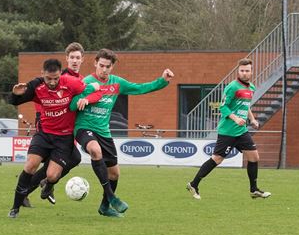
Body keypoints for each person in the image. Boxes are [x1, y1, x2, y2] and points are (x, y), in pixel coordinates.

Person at [70, 48, 174, 218]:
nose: (104, 70)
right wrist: (82, 98)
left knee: (115, 173)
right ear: (95, 63)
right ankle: (111, 197)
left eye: (108, 67)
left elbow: (140, 88)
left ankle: (104, 207)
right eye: (101, 65)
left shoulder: (117, 83)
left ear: (112, 67)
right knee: (95, 151)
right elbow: (72, 105)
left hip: (104, 131)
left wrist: (162, 81)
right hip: (84, 128)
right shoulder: (86, 82)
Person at [8, 58, 101, 218]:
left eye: (56, 78)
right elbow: (15, 101)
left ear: (60, 74)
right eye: (48, 78)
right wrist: (15, 95)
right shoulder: (36, 86)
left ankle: (48, 185)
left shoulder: (71, 83)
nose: (52, 82)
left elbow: (97, 91)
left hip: (64, 138)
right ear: (43, 74)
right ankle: (15, 208)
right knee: (30, 165)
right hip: (44, 135)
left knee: (52, 175)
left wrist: (87, 98)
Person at [186, 58, 271, 200]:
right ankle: (194, 184)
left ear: (251, 72)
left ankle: (254, 190)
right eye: (242, 71)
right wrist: (236, 118)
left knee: (254, 157)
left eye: (247, 71)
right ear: (238, 71)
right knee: (217, 159)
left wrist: (252, 119)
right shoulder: (232, 87)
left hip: (241, 131)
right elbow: (223, 106)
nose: (244, 73)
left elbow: (246, 106)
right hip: (228, 131)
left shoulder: (251, 88)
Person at [23, 42, 85, 207]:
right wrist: (39, 116)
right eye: (72, 57)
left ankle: (43, 185)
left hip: (67, 129)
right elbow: (39, 93)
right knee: (70, 159)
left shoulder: (80, 80)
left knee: (72, 159)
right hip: (51, 129)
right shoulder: (58, 77)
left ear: (82, 60)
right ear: (66, 59)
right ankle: (42, 186)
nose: (74, 61)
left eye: (78, 58)